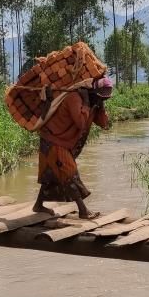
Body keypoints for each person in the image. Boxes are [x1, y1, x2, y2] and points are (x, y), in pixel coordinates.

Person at [32, 77, 113, 219]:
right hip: (53, 141)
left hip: (64, 142)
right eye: (100, 97)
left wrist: (100, 107)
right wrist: (87, 104)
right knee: (70, 174)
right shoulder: (74, 98)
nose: (102, 100)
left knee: (51, 176)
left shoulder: (94, 103)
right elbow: (81, 123)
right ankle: (83, 210)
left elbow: (104, 124)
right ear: (92, 91)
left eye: (105, 99)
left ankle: (38, 205)